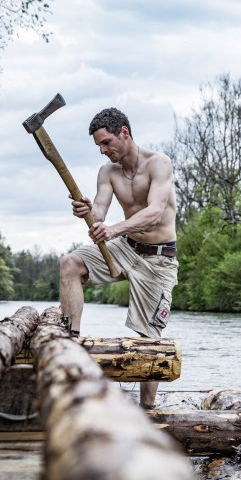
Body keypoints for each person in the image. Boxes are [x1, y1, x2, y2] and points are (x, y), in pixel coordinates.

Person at [59, 107, 178, 409]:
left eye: (107, 142)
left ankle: (148, 412)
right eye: (99, 145)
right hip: (126, 246)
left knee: (149, 340)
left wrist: (112, 230)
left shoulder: (158, 164)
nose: (103, 150)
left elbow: (154, 213)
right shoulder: (108, 172)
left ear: (124, 132)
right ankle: (70, 340)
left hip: (157, 259)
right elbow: (100, 210)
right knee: (69, 263)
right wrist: (90, 211)